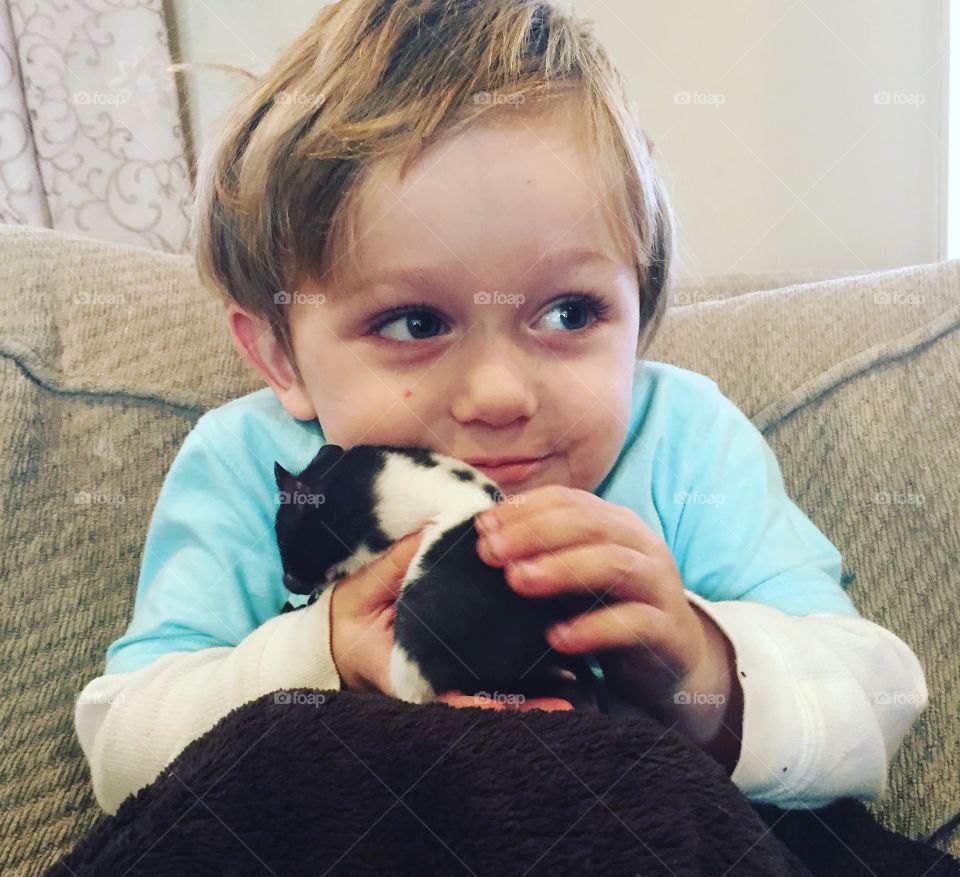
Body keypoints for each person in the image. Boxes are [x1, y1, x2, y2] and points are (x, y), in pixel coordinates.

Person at [75, 0, 927, 817]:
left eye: (569, 313)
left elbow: (876, 692)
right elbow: (123, 752)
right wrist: (320, 656)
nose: (499, 396)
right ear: (278, 355)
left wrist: (701, 665)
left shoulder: (683, 439)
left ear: (641, 313)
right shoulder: (250, 466)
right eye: (414, 323)